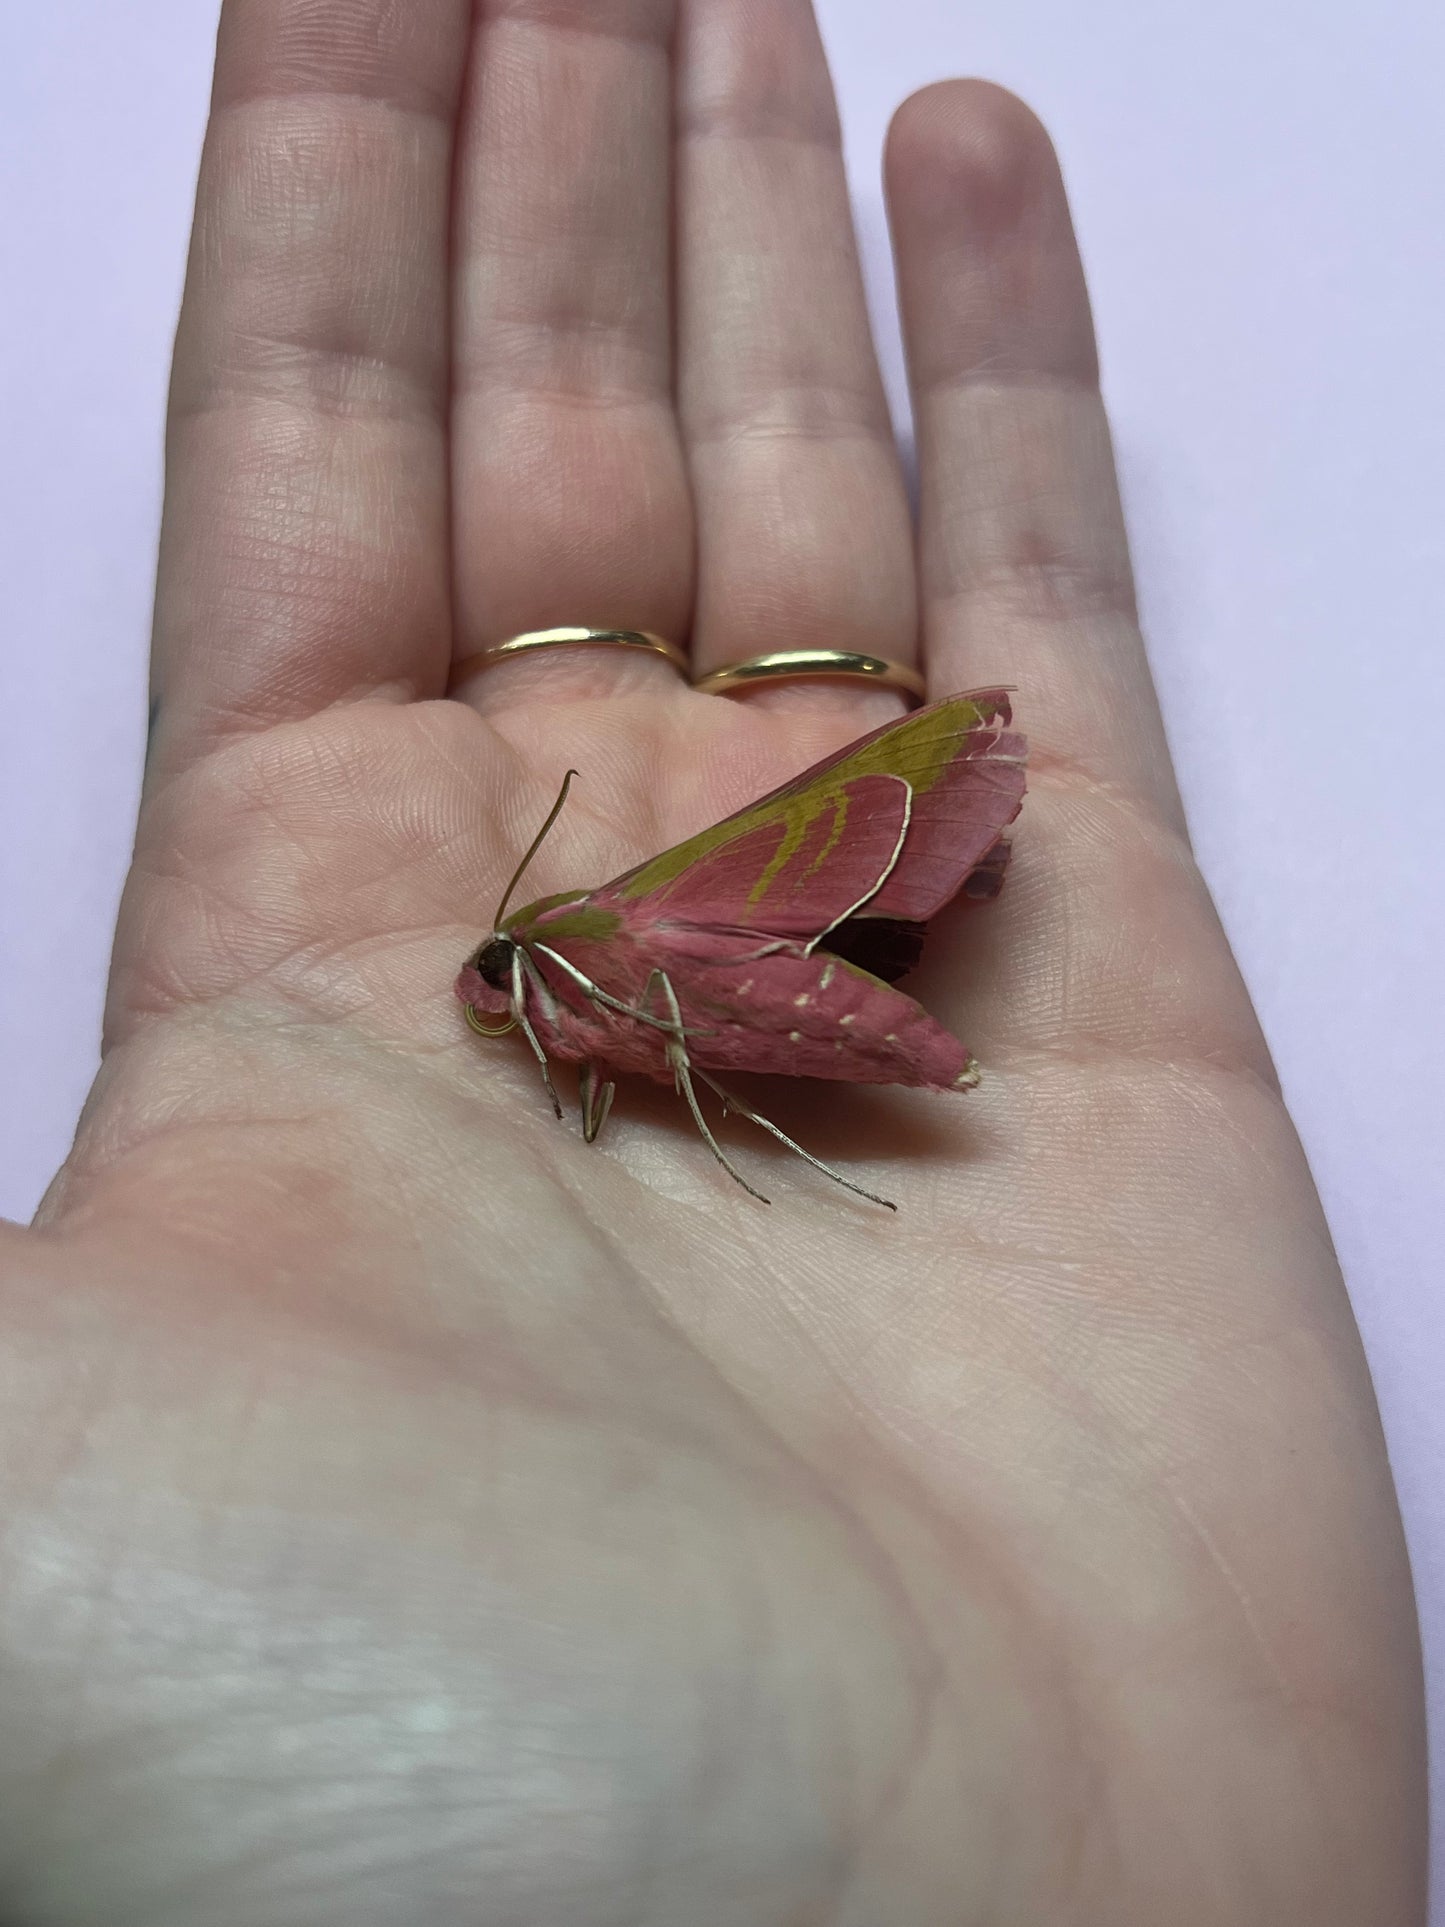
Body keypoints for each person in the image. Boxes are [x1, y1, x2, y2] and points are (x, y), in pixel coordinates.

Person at [1, 0, 1424, 1919]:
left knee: (756, 945)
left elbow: (637, 1039)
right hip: (805, 1056)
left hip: (790, 1028)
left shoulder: (592, 982)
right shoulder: (589, 981)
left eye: (502, 986)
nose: (502, 1005)